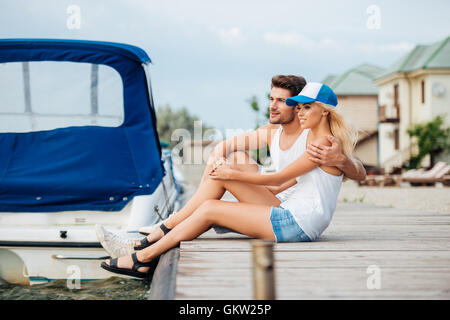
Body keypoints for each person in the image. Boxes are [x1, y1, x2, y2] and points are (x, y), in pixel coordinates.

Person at [100, 81, 359, 278]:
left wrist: (232, 176)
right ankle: (152, 243)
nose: (301, 113)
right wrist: (231, 174)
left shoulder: (321, 146)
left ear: (324, 112)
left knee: (211, 208)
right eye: (299, 107)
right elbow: (286, 183)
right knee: (218, 187)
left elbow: (281, 175)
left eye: (307, 108)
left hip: (297, 223)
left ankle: (144, 254)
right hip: (296, 216)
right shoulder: (320, 141)